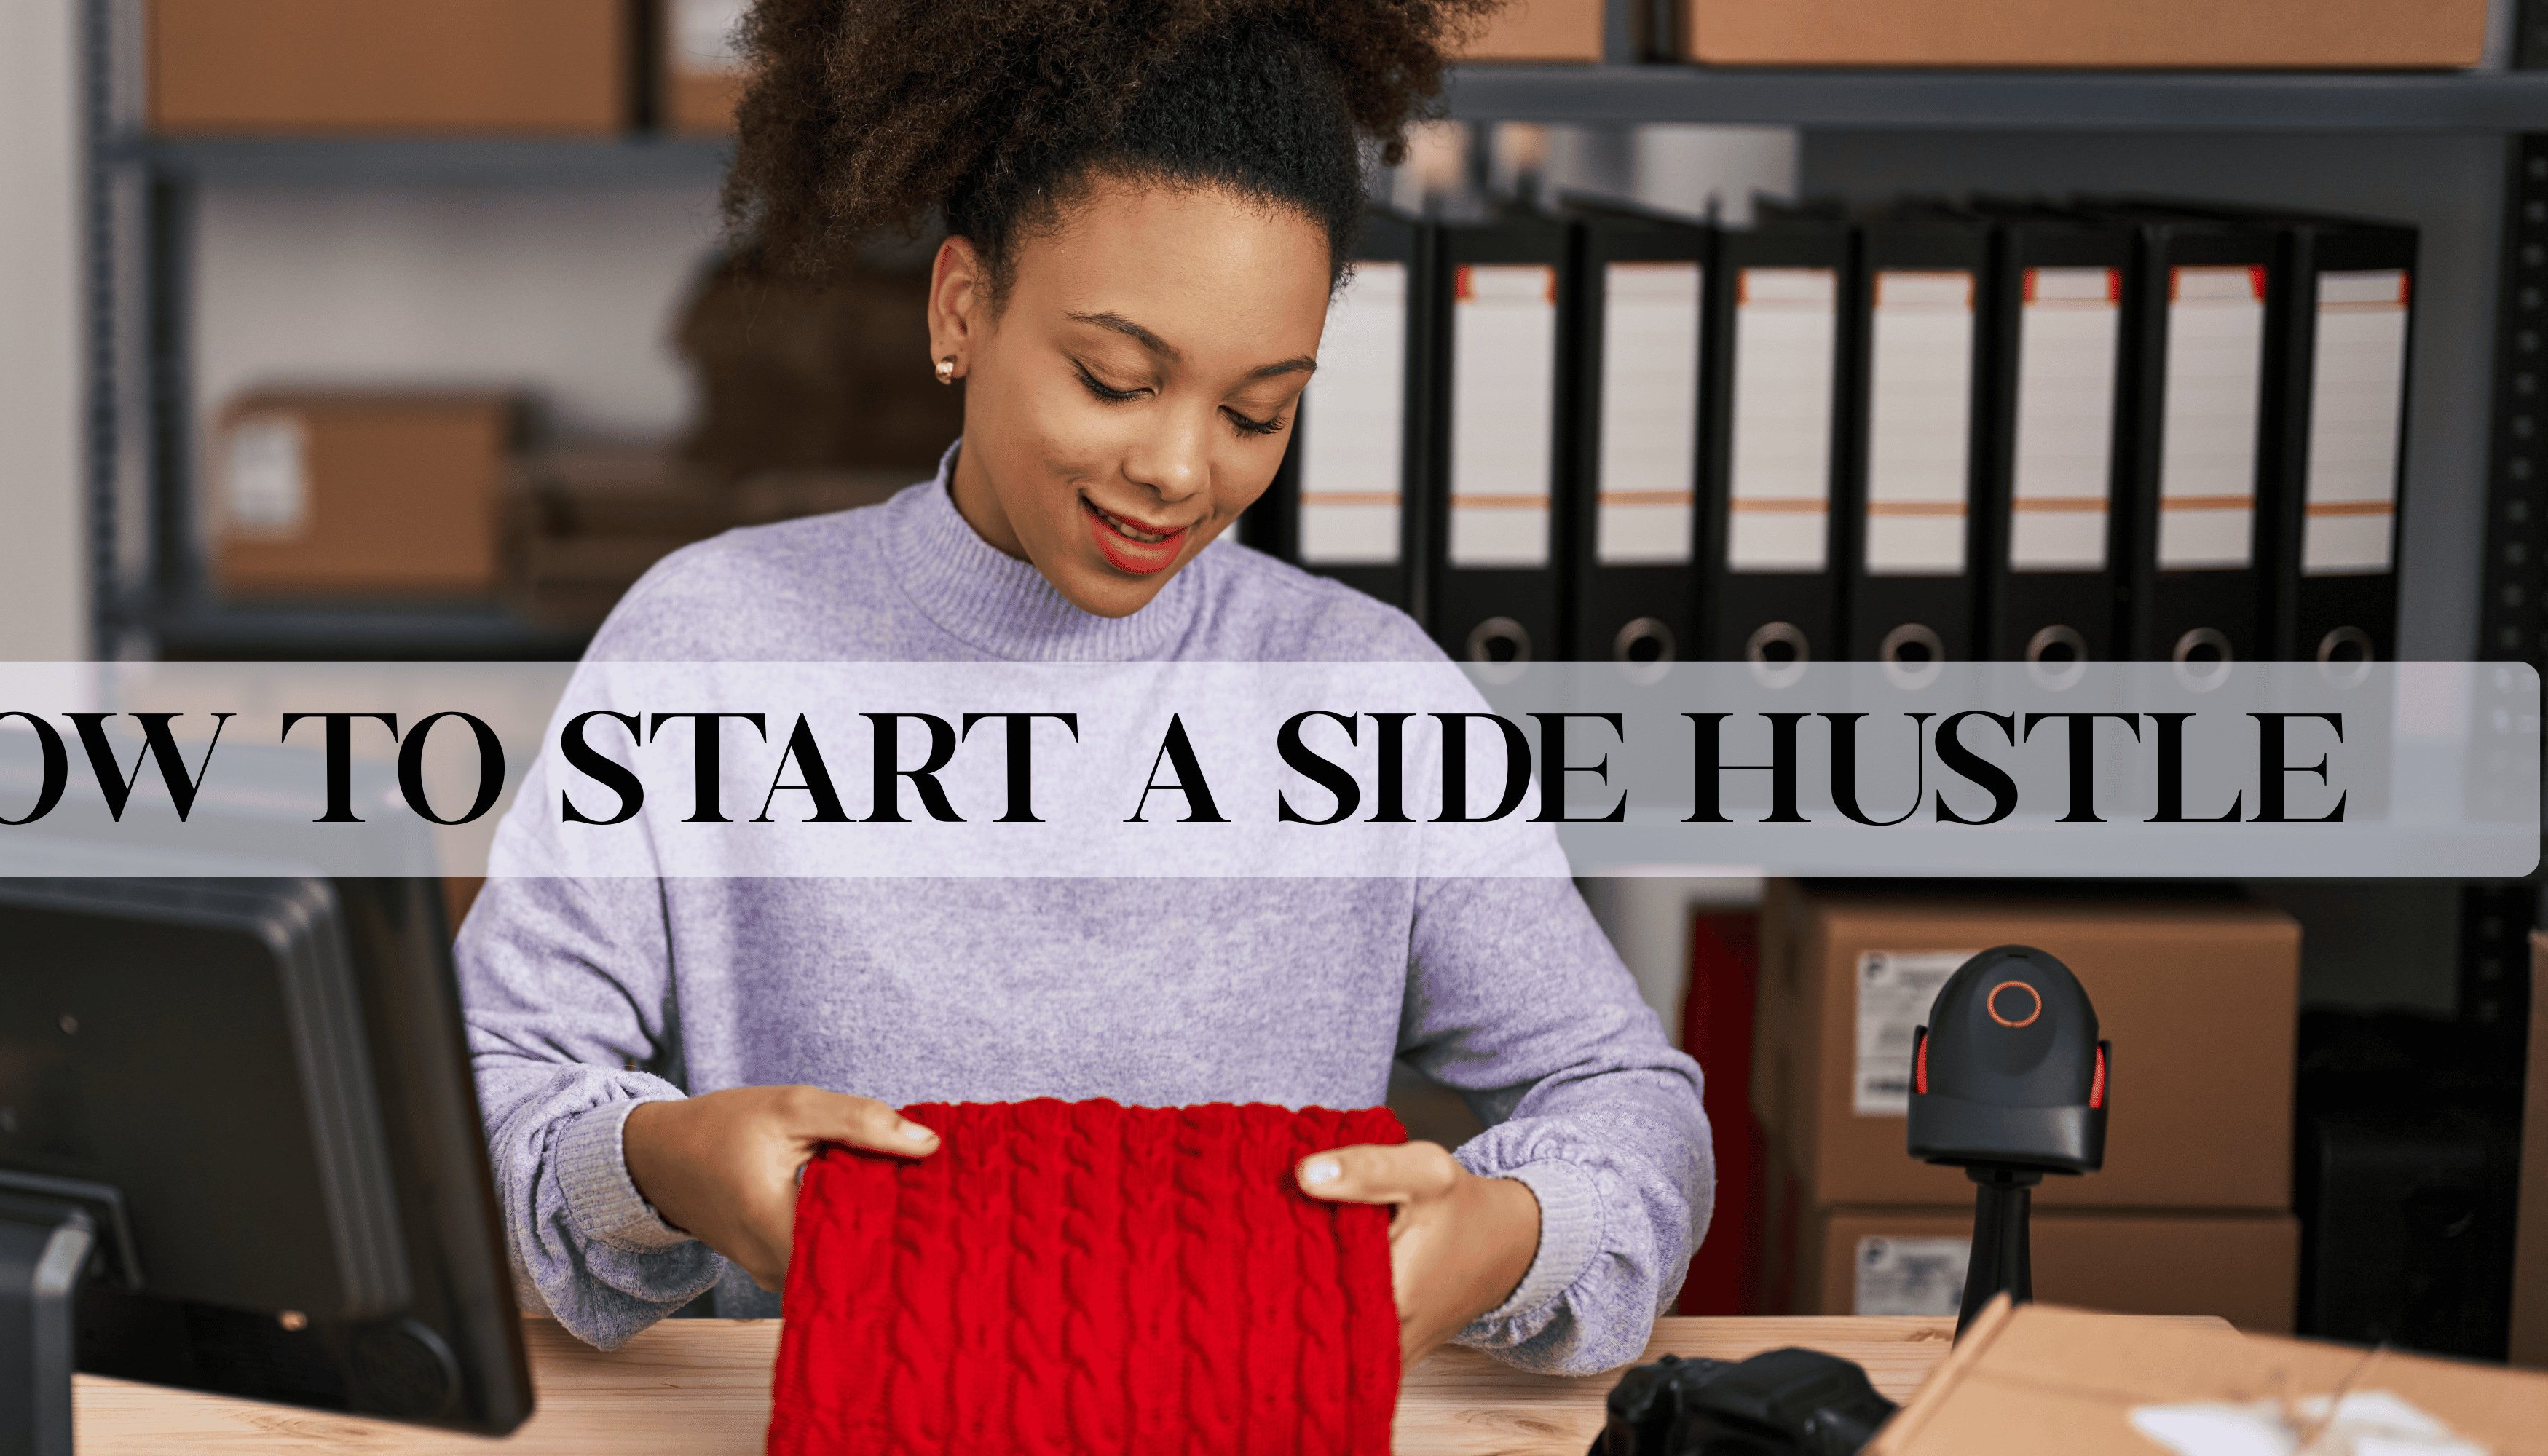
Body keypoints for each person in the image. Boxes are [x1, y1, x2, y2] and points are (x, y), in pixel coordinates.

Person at [457, 0, 1711, 1377]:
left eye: (1257, 412)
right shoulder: (708, 648)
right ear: (962, 308)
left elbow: (1631, 1104)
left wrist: (1500, 1233)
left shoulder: (1370, 696)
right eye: (1116, 379)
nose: (1182, 469)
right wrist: (667, 1163)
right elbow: (485, 1090)